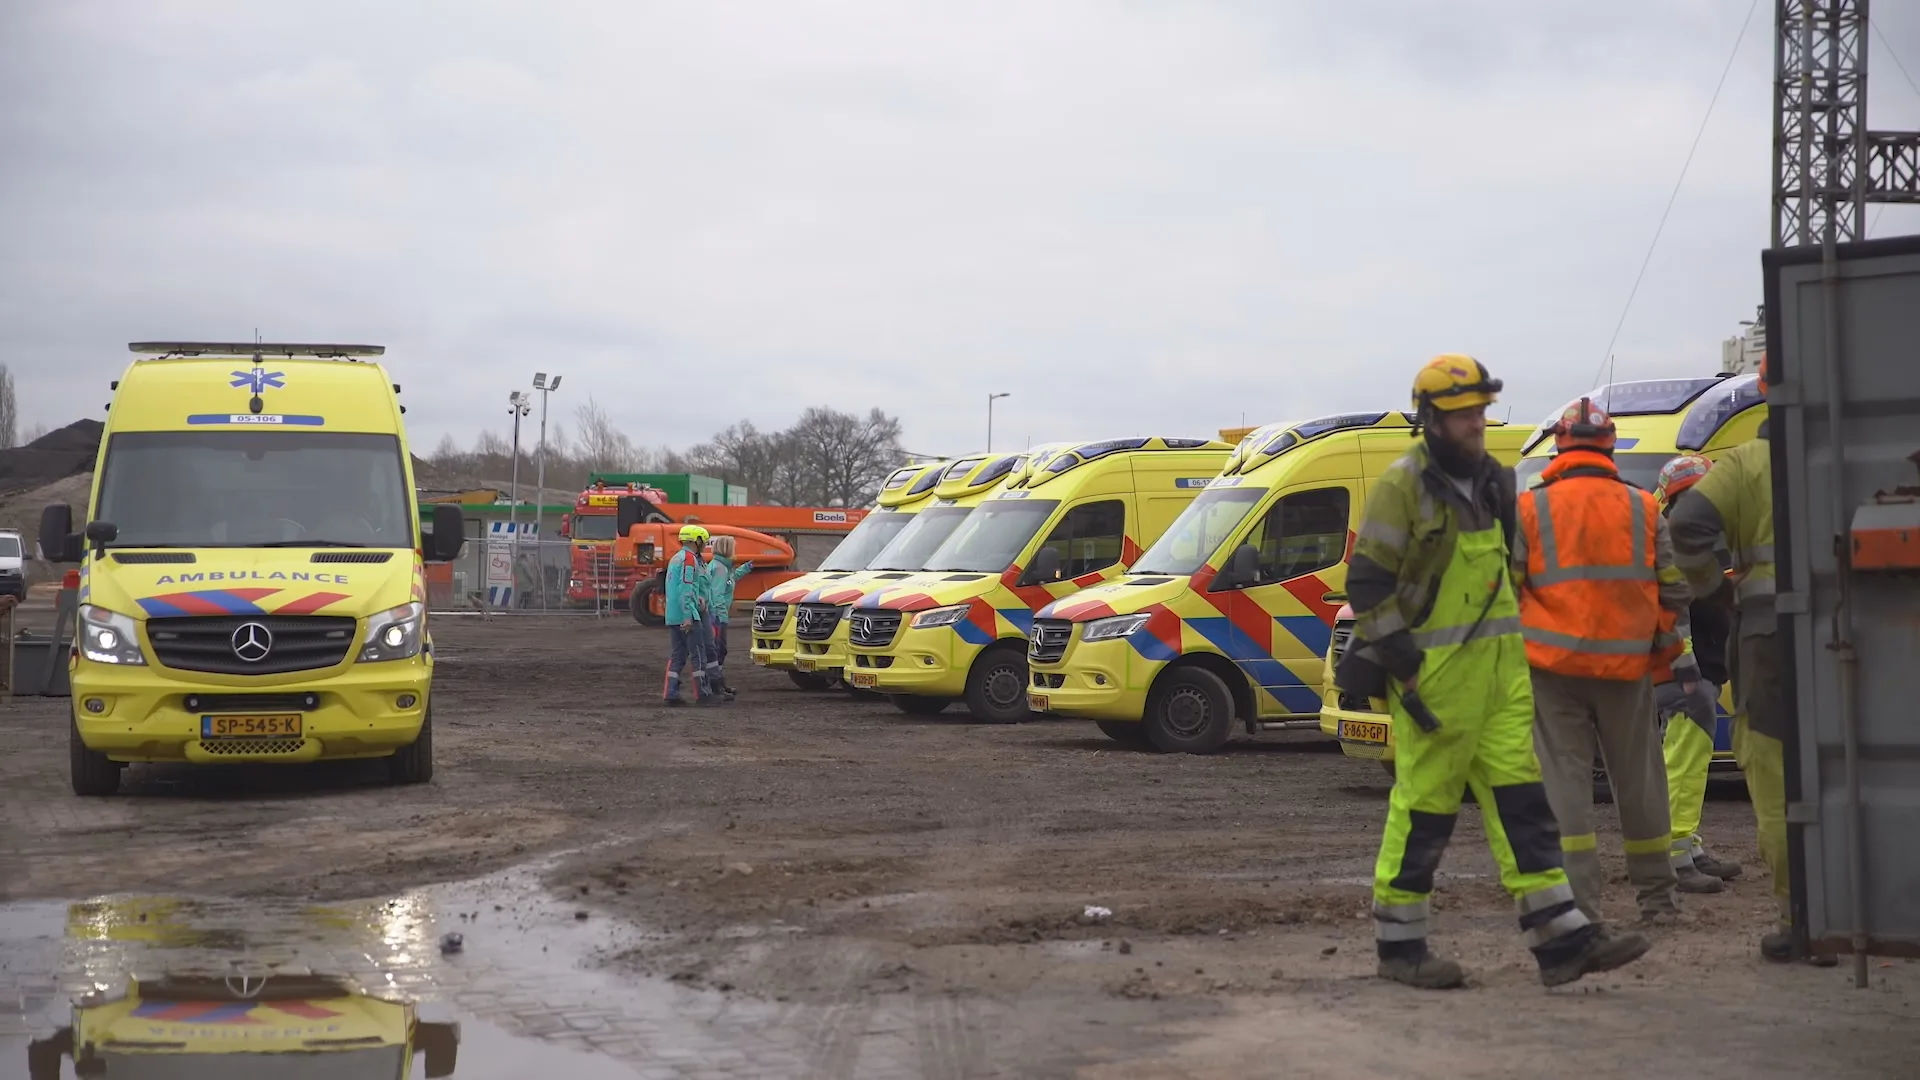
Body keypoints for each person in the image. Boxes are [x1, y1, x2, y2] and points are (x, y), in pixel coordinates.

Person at [1342, 354, 1650, 989]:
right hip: (1436, 683)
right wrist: (1401, 665)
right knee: (1424, 812)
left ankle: (1562, 939)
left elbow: (1507, 578)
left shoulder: (1496, 482)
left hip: (1503, 681)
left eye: (1481, 409)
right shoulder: (1403, 486)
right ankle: (1400, 949)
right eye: (1462, 414)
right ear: (1430, 419)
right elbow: (1368, 583)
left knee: (1525, 811)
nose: (1477, 422)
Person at [1666, 358, 1835, 966]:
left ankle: (1805, 921)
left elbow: (1688, 524)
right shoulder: (1858, 453)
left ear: (1762, 394)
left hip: (1770, 638)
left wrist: (1717, 587)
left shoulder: (1744, 466)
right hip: (1868, 631)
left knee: (1778, 778)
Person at [1512, 399, 1689, 925]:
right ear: (1611, 446)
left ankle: (1577, 908)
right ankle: (1658, 900)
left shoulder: (1529, 508)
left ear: (1560, 446)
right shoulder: (1644, 507)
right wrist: (1651, 636)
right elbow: (1675, 590)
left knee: (1563, 786)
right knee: (1640, 781)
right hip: (1628, 669)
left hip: (1552, 669)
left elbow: (1508, 586)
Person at [1652, 454, 1743, 892]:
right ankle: (1672, 856)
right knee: (1681, 763)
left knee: (1693, 762)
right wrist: (1686, 671)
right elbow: (1674, 619)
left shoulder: (1689, 540)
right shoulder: (1675, 543)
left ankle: (1688, 845)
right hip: (1685, 675)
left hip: (1698, 670)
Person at [662, 524, 718, 707]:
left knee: (678, 654)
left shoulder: (675, 559)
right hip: (688, 615)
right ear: (697, 540)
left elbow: (678, 588)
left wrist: (698, 598)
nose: (705, 545)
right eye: (704, 541)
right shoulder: (689, 559)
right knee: (698, 654)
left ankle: (670, 692)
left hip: (672, 614)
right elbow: (686, 587)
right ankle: (703, 694)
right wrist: (688, 615)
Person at [702, 534, 754, 701]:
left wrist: (744, 569)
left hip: (716, 615)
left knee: (718, 650)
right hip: (717, 616)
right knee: (718, 650)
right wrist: (720, 615)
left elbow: (729, 581)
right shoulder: (720, 568)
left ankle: (718, 683)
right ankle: (715, 685)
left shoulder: (722, 567)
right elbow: (717, 593)